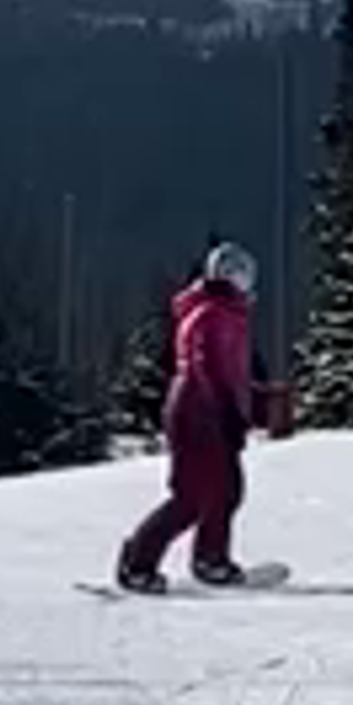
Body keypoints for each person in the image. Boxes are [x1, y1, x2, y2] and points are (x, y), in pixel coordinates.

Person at [117, 241, 260, 588]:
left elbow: (229, 368)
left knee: (226, 490)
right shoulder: (211, 313)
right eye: (243, 275)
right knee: (192, 496)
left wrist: (242, 406)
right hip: (196, 411)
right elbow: (204, 364)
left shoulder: (226, 312)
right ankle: (138, 561)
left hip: (211, 409)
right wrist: (224, 408)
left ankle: (211, 558)